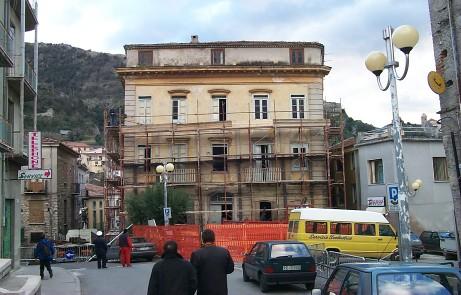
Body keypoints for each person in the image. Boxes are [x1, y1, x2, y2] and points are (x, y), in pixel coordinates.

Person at [190, 229, 234, 295]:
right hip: (221, 291)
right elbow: (230, 269)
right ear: (214, 239)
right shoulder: (224, 252)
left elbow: (193, 275)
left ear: (202, 240)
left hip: (204, 291)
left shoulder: (196, 254)